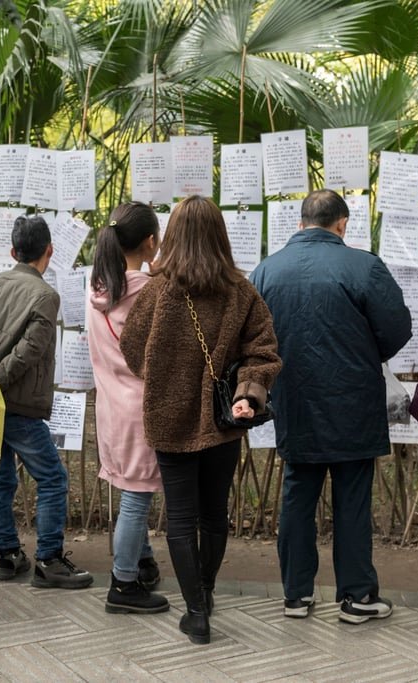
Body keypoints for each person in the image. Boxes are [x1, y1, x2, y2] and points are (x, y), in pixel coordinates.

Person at [121, 195, 282, 644]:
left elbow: (132, 348)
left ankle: (195, 613)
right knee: (213, 514)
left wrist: (163, 377)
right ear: (219, 235)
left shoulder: (157, 291)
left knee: (180, 518)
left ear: (172, 236)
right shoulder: (241, 292)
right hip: (224, 421)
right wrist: (247, 393)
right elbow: (264, 351)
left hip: (167, 419)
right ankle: (206, 592)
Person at [249, 189, 411, 625]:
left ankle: (296, 595)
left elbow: (253, 337)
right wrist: (362, 352)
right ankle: (358, 598)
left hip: (295, 400)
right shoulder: (364, 266)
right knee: (352, 500)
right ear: (342, 225)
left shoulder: (266, 271)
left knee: (297, 496)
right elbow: (397, 329)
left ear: (300, 224)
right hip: (353, 400)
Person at [0, 214, 93, 589]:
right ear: (49, 251)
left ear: (13, 252)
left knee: (0, 478)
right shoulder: (45, 296)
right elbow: (28, 352)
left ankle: (8, 556)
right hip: (18, 406)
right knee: (53, 478)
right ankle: (49, 560)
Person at [88, 202, 168, 614]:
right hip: (140, 408)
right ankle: (122, 584)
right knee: (137, 497)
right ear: (150, 242)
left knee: (132, 489)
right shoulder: (149, 291)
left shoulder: (99, 286)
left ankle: (143, 561)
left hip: (110, 407)